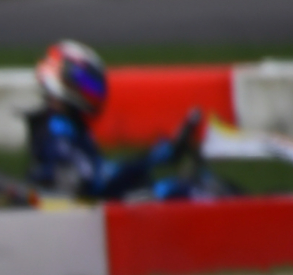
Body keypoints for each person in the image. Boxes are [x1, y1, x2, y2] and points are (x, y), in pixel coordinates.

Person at [27, 40, 204, 203]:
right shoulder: (54, 129)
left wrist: (150, 159)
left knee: (164, 186)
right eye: (85, 82)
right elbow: (93, 179)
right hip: (76, 211)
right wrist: (153, 158)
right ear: (60, 75)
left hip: (92, 203)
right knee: (178, 192)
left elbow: (99, 170)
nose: (92, 89)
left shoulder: (73, 126)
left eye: (93, 85)